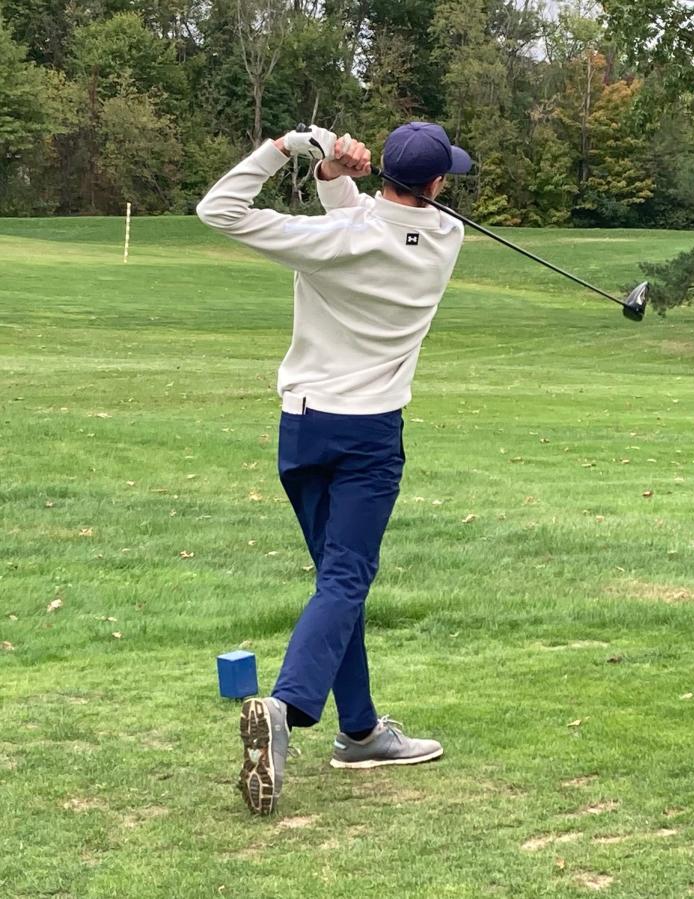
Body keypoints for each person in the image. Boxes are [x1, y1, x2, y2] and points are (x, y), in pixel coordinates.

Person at [196, 121, 472, 815]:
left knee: (336, 581)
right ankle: (288, 707)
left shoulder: (331, 244)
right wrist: (328, 174)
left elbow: (218, 209)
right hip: (370, 434)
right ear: (435, 186)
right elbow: (374, 223)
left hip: (303, 428)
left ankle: (360, 731)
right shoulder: (444, 239)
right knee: (347, 576)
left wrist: (294, 149)